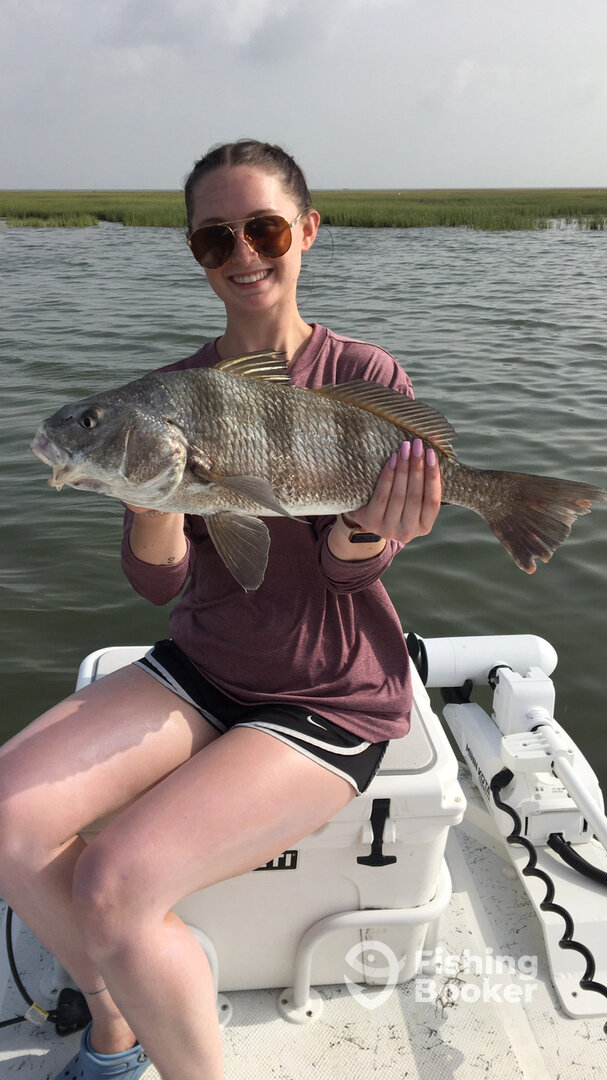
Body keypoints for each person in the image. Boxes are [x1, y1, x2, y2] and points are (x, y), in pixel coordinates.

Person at [0, 140, 441, 1080]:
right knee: (7, 815)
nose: (243, 253)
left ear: (306, 231)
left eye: (265, 229)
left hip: (328, 693)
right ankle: (117, 1017)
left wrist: (366, 531)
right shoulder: (171, 394)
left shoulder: (365, 373)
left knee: (112, 883)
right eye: (215, 237)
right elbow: (161, 584)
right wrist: (152, 493)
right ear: (196, 250)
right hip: (204, 667)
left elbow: (348, 575)